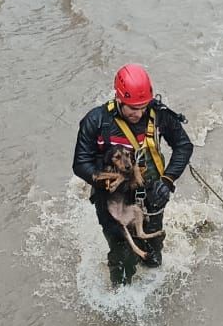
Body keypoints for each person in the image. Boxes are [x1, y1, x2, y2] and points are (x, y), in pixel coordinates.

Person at [73, 65, 194, 287]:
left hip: (151, 193)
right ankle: (119, 302)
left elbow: (183, 146)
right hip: (112, 200)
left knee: (153, 254)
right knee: (122, 257)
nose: (137, 113)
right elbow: (81, 164)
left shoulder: (160, 116)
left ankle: (151, 283)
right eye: (132, 108)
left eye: (142, 106)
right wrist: (103, 179)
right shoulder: (96, 120)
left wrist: (167, 181)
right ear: (119, 98)